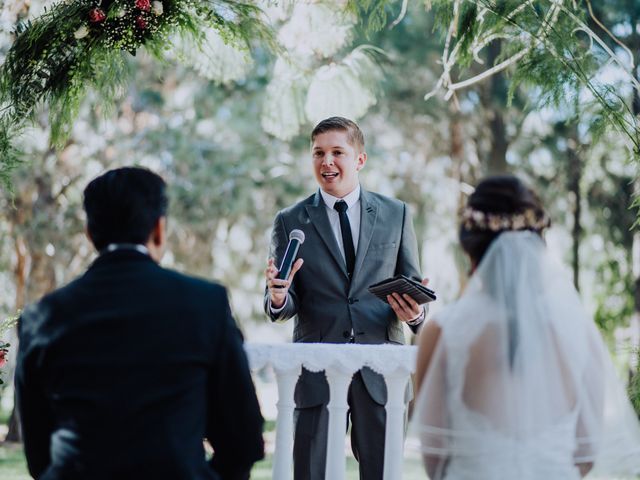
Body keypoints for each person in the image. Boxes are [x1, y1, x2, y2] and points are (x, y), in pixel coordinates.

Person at [16, 167, 264, 480]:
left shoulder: (41, 316)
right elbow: (242, 439)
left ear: (90, 233)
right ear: (159, 230)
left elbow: (39, 452)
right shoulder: (205, 304)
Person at [411, 175, 640, 479]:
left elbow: (434, 461)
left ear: (468, 248)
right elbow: (585, 455)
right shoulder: (580, 333)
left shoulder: (440, 331)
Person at [264, 116, 429, 480]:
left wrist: (416, 315)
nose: (326, 162)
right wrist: (277, 297)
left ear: (359, 159)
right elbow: (280, 305)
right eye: (318, 153)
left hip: (382, 371)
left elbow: (413, 287)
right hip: (316, 371)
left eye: (337, 152)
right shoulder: (289, 220)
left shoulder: (396, 214)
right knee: (312, 473)